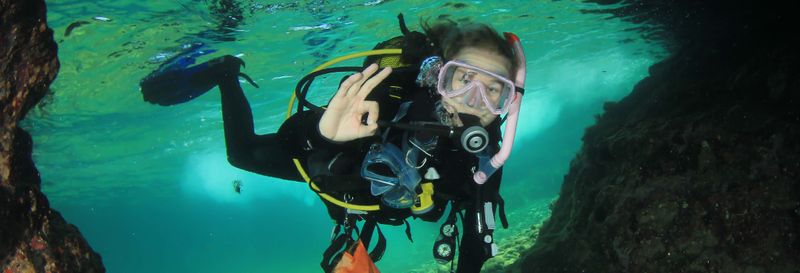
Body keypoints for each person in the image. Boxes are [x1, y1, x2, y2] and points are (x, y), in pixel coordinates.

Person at [140, 14, 526, 273]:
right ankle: (227, 74)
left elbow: (479, 235)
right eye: (464, 80)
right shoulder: (390, 98)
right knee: (242, 155)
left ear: (509, 103)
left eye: (495, 91)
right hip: (342, 171)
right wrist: (323, 136)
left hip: (380, 198)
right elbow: (299, 142)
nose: (475, 101)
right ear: (437, 76)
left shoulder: (487, 153)